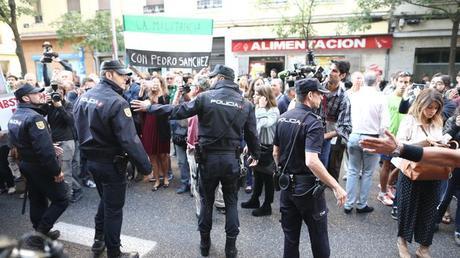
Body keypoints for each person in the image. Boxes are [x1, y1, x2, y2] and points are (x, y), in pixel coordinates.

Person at [131, 64, 260, 258]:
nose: (211, 80)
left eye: (213, 77)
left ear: (221, 78)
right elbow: (252, 134)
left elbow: (177, 111)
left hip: (208, 160)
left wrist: (151, 106)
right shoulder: (245, 104)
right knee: (231, 203)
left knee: (207, 202)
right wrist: (256, 155)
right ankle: (231, 248)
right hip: (231, 161)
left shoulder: (205, 97)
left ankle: (205, 244)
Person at [73, 60, 152, 258]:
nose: (127, 78)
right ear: (109, 75)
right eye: (122, 74)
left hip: (92, 161)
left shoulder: (85, 97)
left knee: (106, 202)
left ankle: (98, 239)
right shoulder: (117, 102)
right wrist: (145, 166)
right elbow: (129, 140)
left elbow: (78, 129)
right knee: (114, 209)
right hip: (111, 163)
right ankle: (114, 253)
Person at [273, 78, 346, 258]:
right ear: (310, 95)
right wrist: (335, 186)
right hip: (308, 190)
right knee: (319, 237)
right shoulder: (313, 121)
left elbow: (276, 152)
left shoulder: (282, 118)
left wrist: (285, 171)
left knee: (290, 239)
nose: (322, 98)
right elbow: (311, 161)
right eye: (320, 94)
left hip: (286, 187)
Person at [8, 83, 68, 241]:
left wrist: (47, 144)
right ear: (26, 98)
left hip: (26, 164)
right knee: (62, 198)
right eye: (37, 93)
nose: (42, 94)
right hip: (39, 165)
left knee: (37, 198)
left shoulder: (16, 115)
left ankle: (39, 231)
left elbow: (19, 142)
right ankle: (39, 235)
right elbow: (45, 152)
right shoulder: (34, 117)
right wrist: (56, 171)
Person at [390, 88, 444, 258]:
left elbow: (439, 142)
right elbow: (398, 146)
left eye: (435, 108)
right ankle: (402, 243)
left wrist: (441, 144)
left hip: (433, 171)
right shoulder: (409, 120)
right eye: (429, 107)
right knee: (407, 208)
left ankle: (424, 247)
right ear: (421, 104)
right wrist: (424, 142)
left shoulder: (438, 121)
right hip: (410, 171)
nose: (432, 111)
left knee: (429, 210)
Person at [344, 71, 389, 214]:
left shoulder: (354, 96)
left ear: (364, 81)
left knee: (352, 171)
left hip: (354, 135)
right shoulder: (381, 97)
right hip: (372, 137)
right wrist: (382, 139)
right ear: (377, 81)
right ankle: (362, 204)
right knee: (368, 172)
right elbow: (384, 124)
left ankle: (348, 204)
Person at [241, 84, 279, 217]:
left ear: (265, 97)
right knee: (257, 175)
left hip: (268, 148)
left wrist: (262, 108)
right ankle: (254, 199)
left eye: (257, 94)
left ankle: (267, 206)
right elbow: (253, 129)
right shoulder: (257, 108)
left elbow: (263, 124)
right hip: (258, 146)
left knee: (268, 177)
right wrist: (249, 144)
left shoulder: (273, 110)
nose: (254, 96)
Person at [318, 60, 352, 182]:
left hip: (329, 138)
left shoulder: (344, 97)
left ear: (342, 75)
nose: (330, 73)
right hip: (310, 133)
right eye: (330, 69)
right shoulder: (317, 86)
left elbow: (346, 126)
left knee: (327, 169)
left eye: (334, 71)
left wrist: (325, 136)